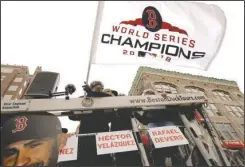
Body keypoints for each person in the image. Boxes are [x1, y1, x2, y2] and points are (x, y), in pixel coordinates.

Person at [68, 81, 113, 166]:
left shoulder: (106, 97)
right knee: (86, 158)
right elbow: (71, 116)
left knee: (103, 159)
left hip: (102, 135)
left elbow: (109, 99)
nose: (98, 89)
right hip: (86, 134)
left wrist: (91, 93)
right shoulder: (84, 98)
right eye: (95, 87)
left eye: (100, 88)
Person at [134, 89, 183, 166]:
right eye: (147, 94)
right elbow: (144, 121)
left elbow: (172, 109)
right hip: (153, 123)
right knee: (156, 144)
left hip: (165, 121)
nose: (149, 95)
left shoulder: (161, 99)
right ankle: (159, 161)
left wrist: (166, 98)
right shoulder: (144, 106)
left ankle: (176, 158)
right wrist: (135, 112)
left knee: (173, 141)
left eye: (151, 93)